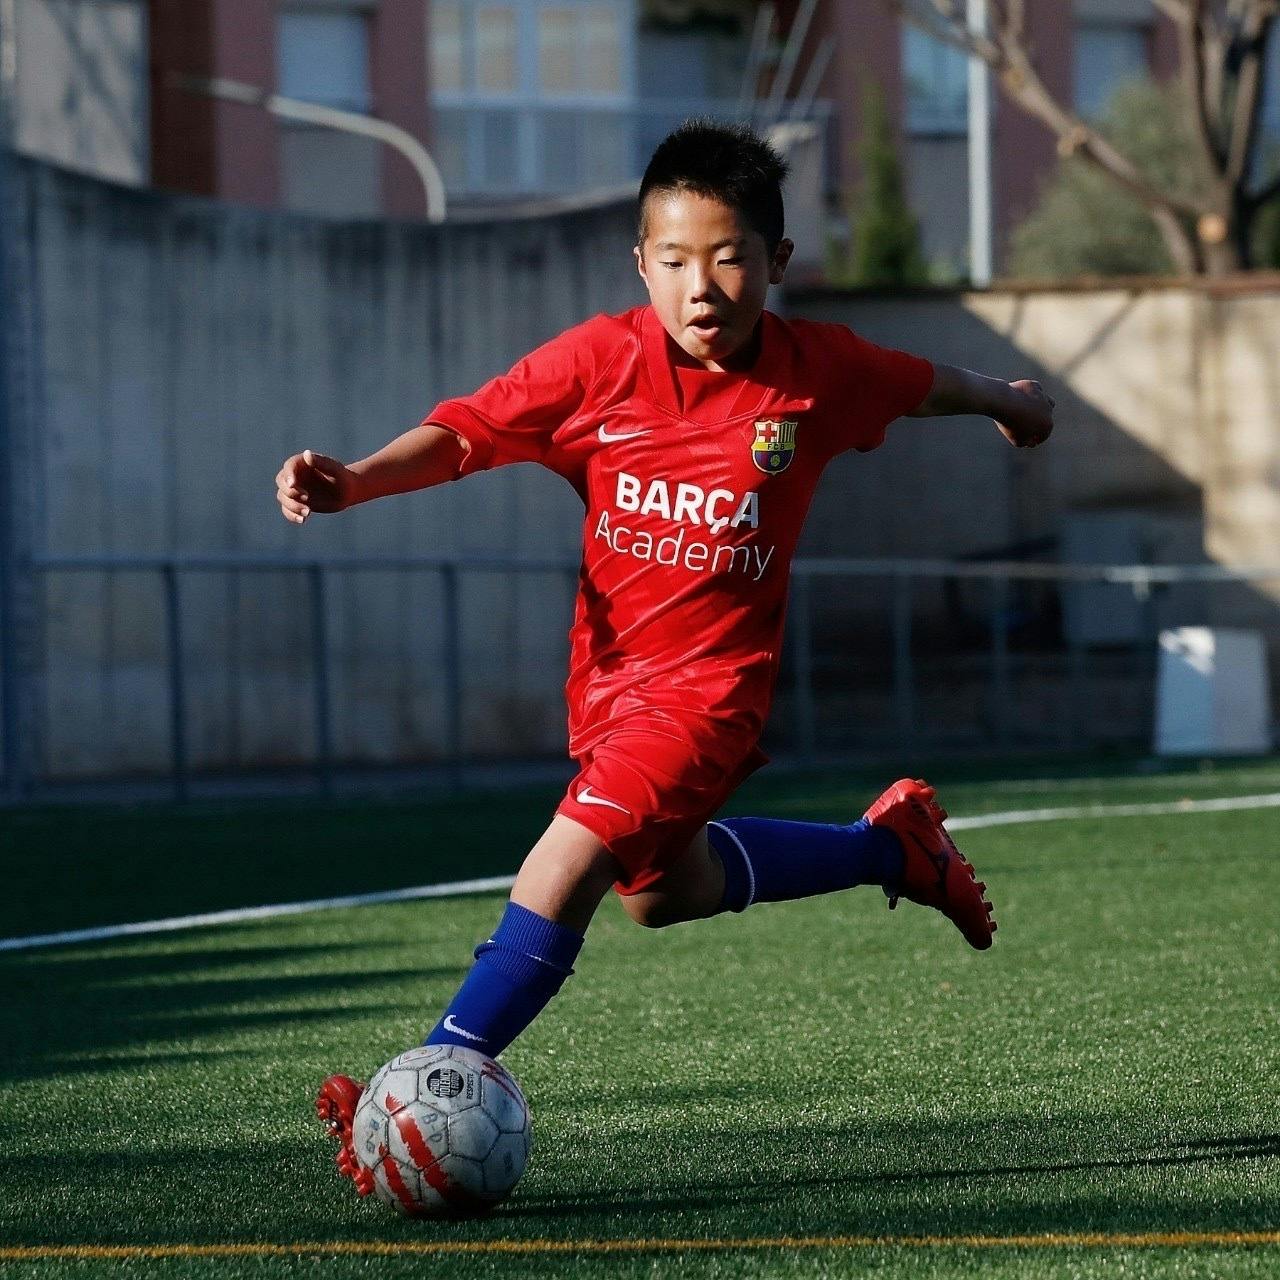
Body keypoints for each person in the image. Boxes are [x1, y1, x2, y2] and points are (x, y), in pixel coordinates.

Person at [275, 120, 1054, 1201]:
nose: (702, 286)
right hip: (605, 685)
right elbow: (464, 433)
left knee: (563, 866)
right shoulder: (597, 362)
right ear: (640, 263)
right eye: (676, 261)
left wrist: (1008, 403)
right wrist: (355, 478)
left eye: (729, 256)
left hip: (710, 696)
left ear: (775, 263)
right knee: (664, 892)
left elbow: (925, 380)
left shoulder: (815, 372)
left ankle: (423, 1076)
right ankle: (891, 849)